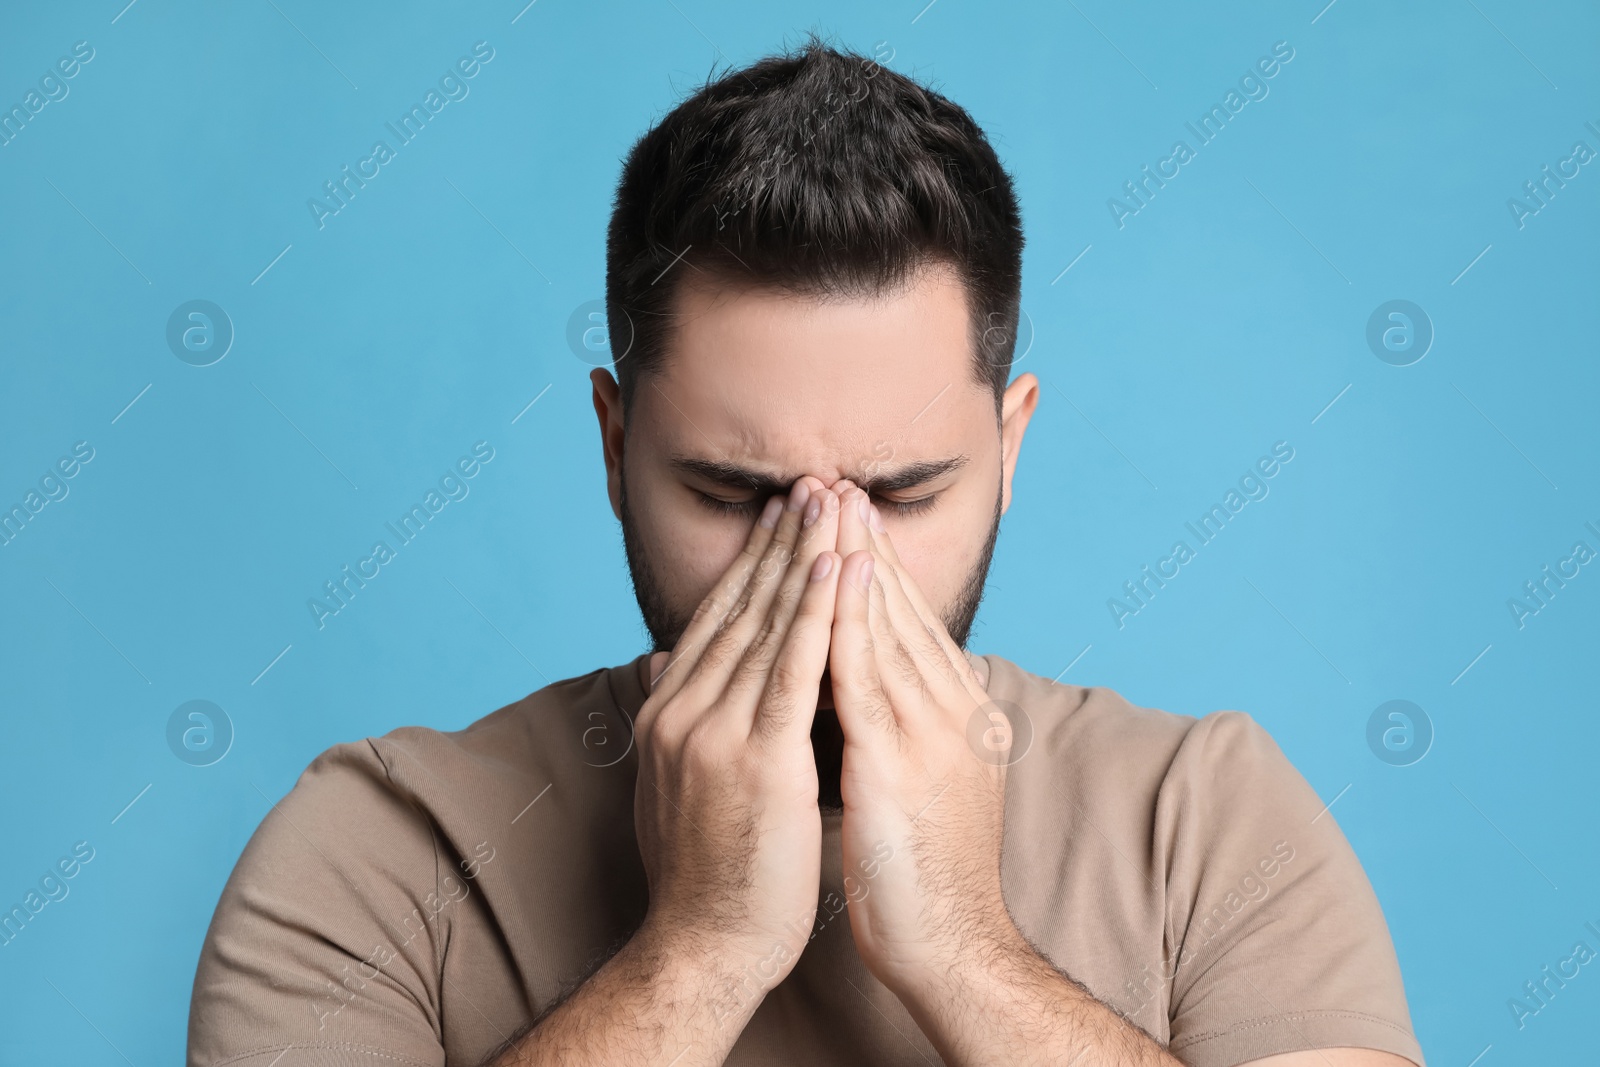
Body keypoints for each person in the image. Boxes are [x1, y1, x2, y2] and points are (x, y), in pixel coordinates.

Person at [187, 36, 1426, 1067]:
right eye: (732, 492)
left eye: (903, 491)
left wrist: (959, 943)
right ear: (615, 448)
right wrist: (701, 946)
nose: (829, 567)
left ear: (1011, 447)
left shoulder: (1206, 821)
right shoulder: (381, 852)